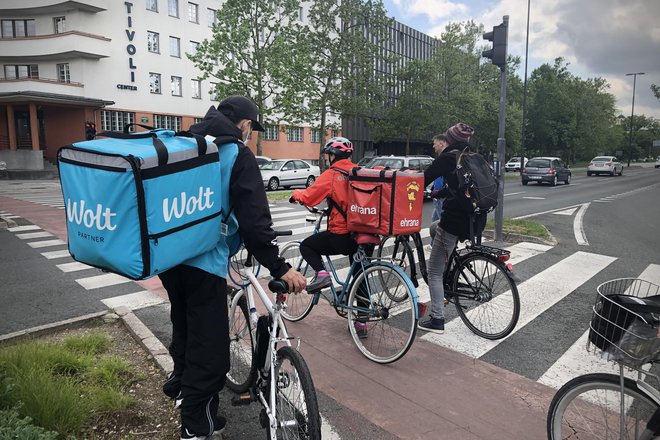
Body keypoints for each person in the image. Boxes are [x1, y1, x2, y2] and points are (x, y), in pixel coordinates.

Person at [159, 96, 307, 440]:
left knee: (185, 326)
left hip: (168, 260)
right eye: (252, 129)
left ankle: (183, 388)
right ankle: (195, 427)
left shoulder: (186, 143)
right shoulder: (236, 154)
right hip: (203, 264)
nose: (251, 135)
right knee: (211, 352)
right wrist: (279, 267)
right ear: (244, 125)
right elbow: (255, 222)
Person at [288, 137, 368, 338]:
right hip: (365, 233)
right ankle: (362, 322)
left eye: (328, 155)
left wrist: (295, 194)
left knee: (307, 246)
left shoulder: (332, 174)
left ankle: (322, 275)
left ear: (334, 155)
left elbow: (309, 196)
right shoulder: (360, 172)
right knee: (361, 274)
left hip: (343, 235)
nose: (328, 158)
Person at [418, 122, 486, 334]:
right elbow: (461, 188)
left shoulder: (448, 157)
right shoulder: (473, 156)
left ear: (448, 140)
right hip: (476, 219)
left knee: (434, 272)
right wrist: (438, 194)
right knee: (433, 228)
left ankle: (437, 319)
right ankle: (451, 267)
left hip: (455, 221)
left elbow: (423, 179)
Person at [430, 133, 449, 223]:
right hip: (437, 195)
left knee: (442, 223)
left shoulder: (446, 158)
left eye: (435, 143)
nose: (433, 146)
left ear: (441, 144)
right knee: (435, 221)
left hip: (442, 196)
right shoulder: (442, 158)